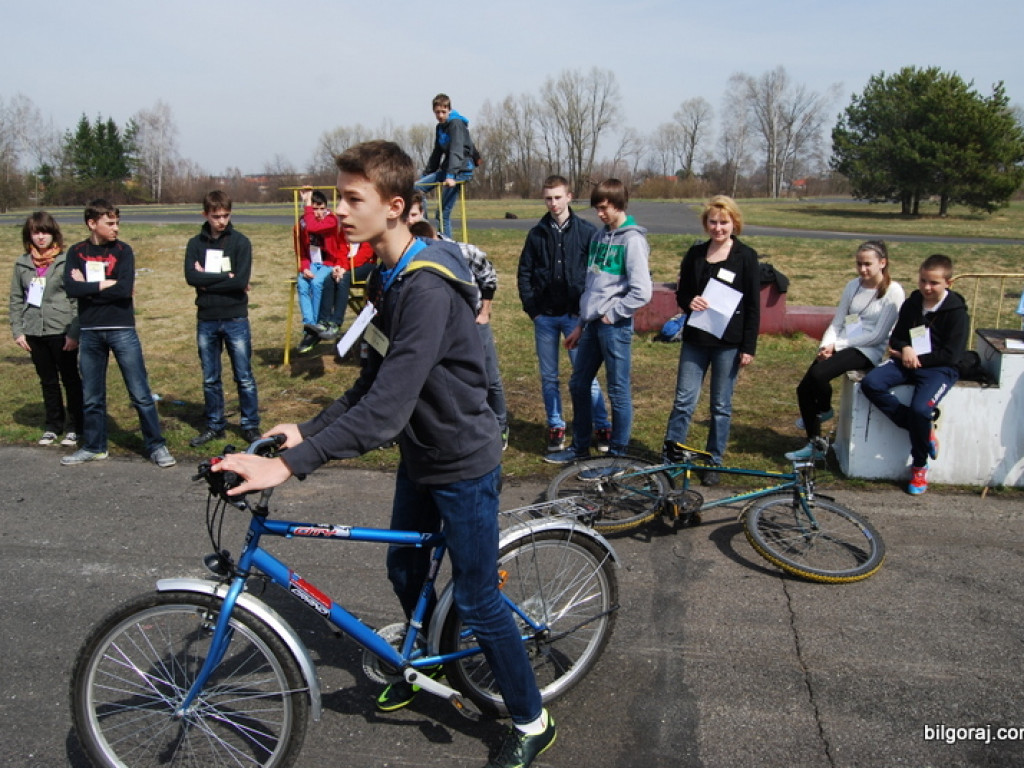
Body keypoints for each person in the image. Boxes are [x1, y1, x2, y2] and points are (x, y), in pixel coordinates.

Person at [214, 140, 555, 768]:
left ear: (394, 207)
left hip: (463, 461)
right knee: (405, 568)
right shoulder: (385, 275)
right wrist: (305, 428)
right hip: (422, 456)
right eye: (338, 196)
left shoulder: (424, 290)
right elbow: (370, 381)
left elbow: (386, 410)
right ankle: (418, 661)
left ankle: (532, 719)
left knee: (478, 599)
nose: (337, 211)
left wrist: (290, 464)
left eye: (352, 199)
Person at [61, 200, 175, 468]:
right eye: (109, 223)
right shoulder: (76, 252)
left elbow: (124, 290)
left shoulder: (124, 251)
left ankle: (156, 446)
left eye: (117, 223)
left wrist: (88, 287)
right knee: (92, 395)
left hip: (122, 329)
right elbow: (70, 288)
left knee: (140, 393)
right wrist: (103, 283)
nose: (116, 228)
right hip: (90, 331)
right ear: (92, 223)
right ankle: (94, 446)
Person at [546, 179, 652, 463]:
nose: (600, 214)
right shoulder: (598, 237)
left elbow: (643, 291)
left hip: (614, 327)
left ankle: (617, 457)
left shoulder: (632, 240)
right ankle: (579, 448)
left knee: (618, 392)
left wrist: (612, 314)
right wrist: (582, 323)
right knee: (579, 384)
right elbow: (591, 285)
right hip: (591, 325)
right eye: (596, 209)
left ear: (618, 204)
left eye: (604, 208)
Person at [663, 196, 760, 485]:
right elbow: (682, 293)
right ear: (706, 223)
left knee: (720, 406)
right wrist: (688, 300)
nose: (718, 228)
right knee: (684, 401)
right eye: (713, 222)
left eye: (724, 222)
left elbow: (754, 305)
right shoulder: (695, 254)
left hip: (728, 344)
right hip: (695, 339)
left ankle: (714, 460)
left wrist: (748, 347)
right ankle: (671, 457)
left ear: (735, 223)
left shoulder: (746, 256)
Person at [785, 241, 905, 461]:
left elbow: (878, 336)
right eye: (859, 264)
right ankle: (815, 445)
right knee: (804, 389)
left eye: (868, 264)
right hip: (842, 343)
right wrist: (826, 345)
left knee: (818, 374)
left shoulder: (893, 291)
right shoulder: (853, 286)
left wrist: (838, 346)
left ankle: (824, 409)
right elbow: (837, 321)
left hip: (867, 350)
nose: (862, 269)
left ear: (882, 263)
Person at [518, 175, 611, 454]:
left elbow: (597, 272)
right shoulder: (537, 234)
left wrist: (586, 310)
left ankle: (602, 424)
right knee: (549, 376)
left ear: (569, 197)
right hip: (545, 317)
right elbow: (524, 273)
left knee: (584, 374)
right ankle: (556, 424)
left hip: (575, 317)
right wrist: (533, 310)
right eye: (548, 198)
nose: (553, 203)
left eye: (558, 197)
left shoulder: (586, 231)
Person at [860, 254, 969, 495]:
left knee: (922, 409)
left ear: (948, 283)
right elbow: (897, 337)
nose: (927, 288)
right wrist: (906, 348)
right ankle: (921, 429)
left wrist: (915, 359)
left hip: (939, 369)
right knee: (870, 384)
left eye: (934, 283)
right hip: (906, 361)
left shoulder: (957, 312)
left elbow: (951, 354)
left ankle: (919, 465)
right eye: (923, 281)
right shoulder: (912, 303)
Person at [410, 219, 510, 449]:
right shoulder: (417, 255)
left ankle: (500, 426)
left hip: (475, 322)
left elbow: (489, 277)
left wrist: (485, 311)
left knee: (490, 377)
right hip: (445, 327)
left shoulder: (464, 251)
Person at [184, 190, 260, 446]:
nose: (222, 221)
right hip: (206, 317)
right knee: (210, 377)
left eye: (226, 215)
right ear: (206, 214)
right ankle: (215, 424)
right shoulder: (195, 244)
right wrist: (223, 279)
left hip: (235, 317)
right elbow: (191, 278)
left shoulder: (240, 243)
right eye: (216, 216)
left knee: (244, 376)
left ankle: (250, 424)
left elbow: (240, 280)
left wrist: (208, 280)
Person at [8, 212, 83, 447]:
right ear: (29, 235)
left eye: (45, 232)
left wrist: (74, 332)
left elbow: (76, 300)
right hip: (34, 330)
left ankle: (76, 426)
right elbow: (15, 299)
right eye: (36, 232)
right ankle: (53, 425)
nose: (41, 237)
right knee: (47, 380)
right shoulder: (22, 264)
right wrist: (18, 330)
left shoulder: (65, 261)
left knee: (70, 379)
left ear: (54, 234)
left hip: (61, 329)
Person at [415, 93, 476, 237]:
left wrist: (450, 176)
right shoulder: (440, 128)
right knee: (416, 188)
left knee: (442, 214)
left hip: (460, 170)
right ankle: (424, 230)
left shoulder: (456, 124)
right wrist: (425, 175)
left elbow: (456, 149)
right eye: (437, 112)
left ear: (449, 110)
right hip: (448, 168)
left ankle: (446, 246)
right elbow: (437, 153)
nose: (440, 115)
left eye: (443, 112)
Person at [295, 188, 345, 354]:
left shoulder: (331, 220)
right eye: (314, 208)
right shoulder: (303, 222)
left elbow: (314, 227)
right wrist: (304, 268)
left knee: (317, 283)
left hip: (328, 263)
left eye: (321, 208)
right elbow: (301, 250)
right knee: (302, 284)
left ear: (326, 207)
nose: (317, 212)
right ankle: (309, 324)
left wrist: (307, 205)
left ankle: (317, 323)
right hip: (311, 263)